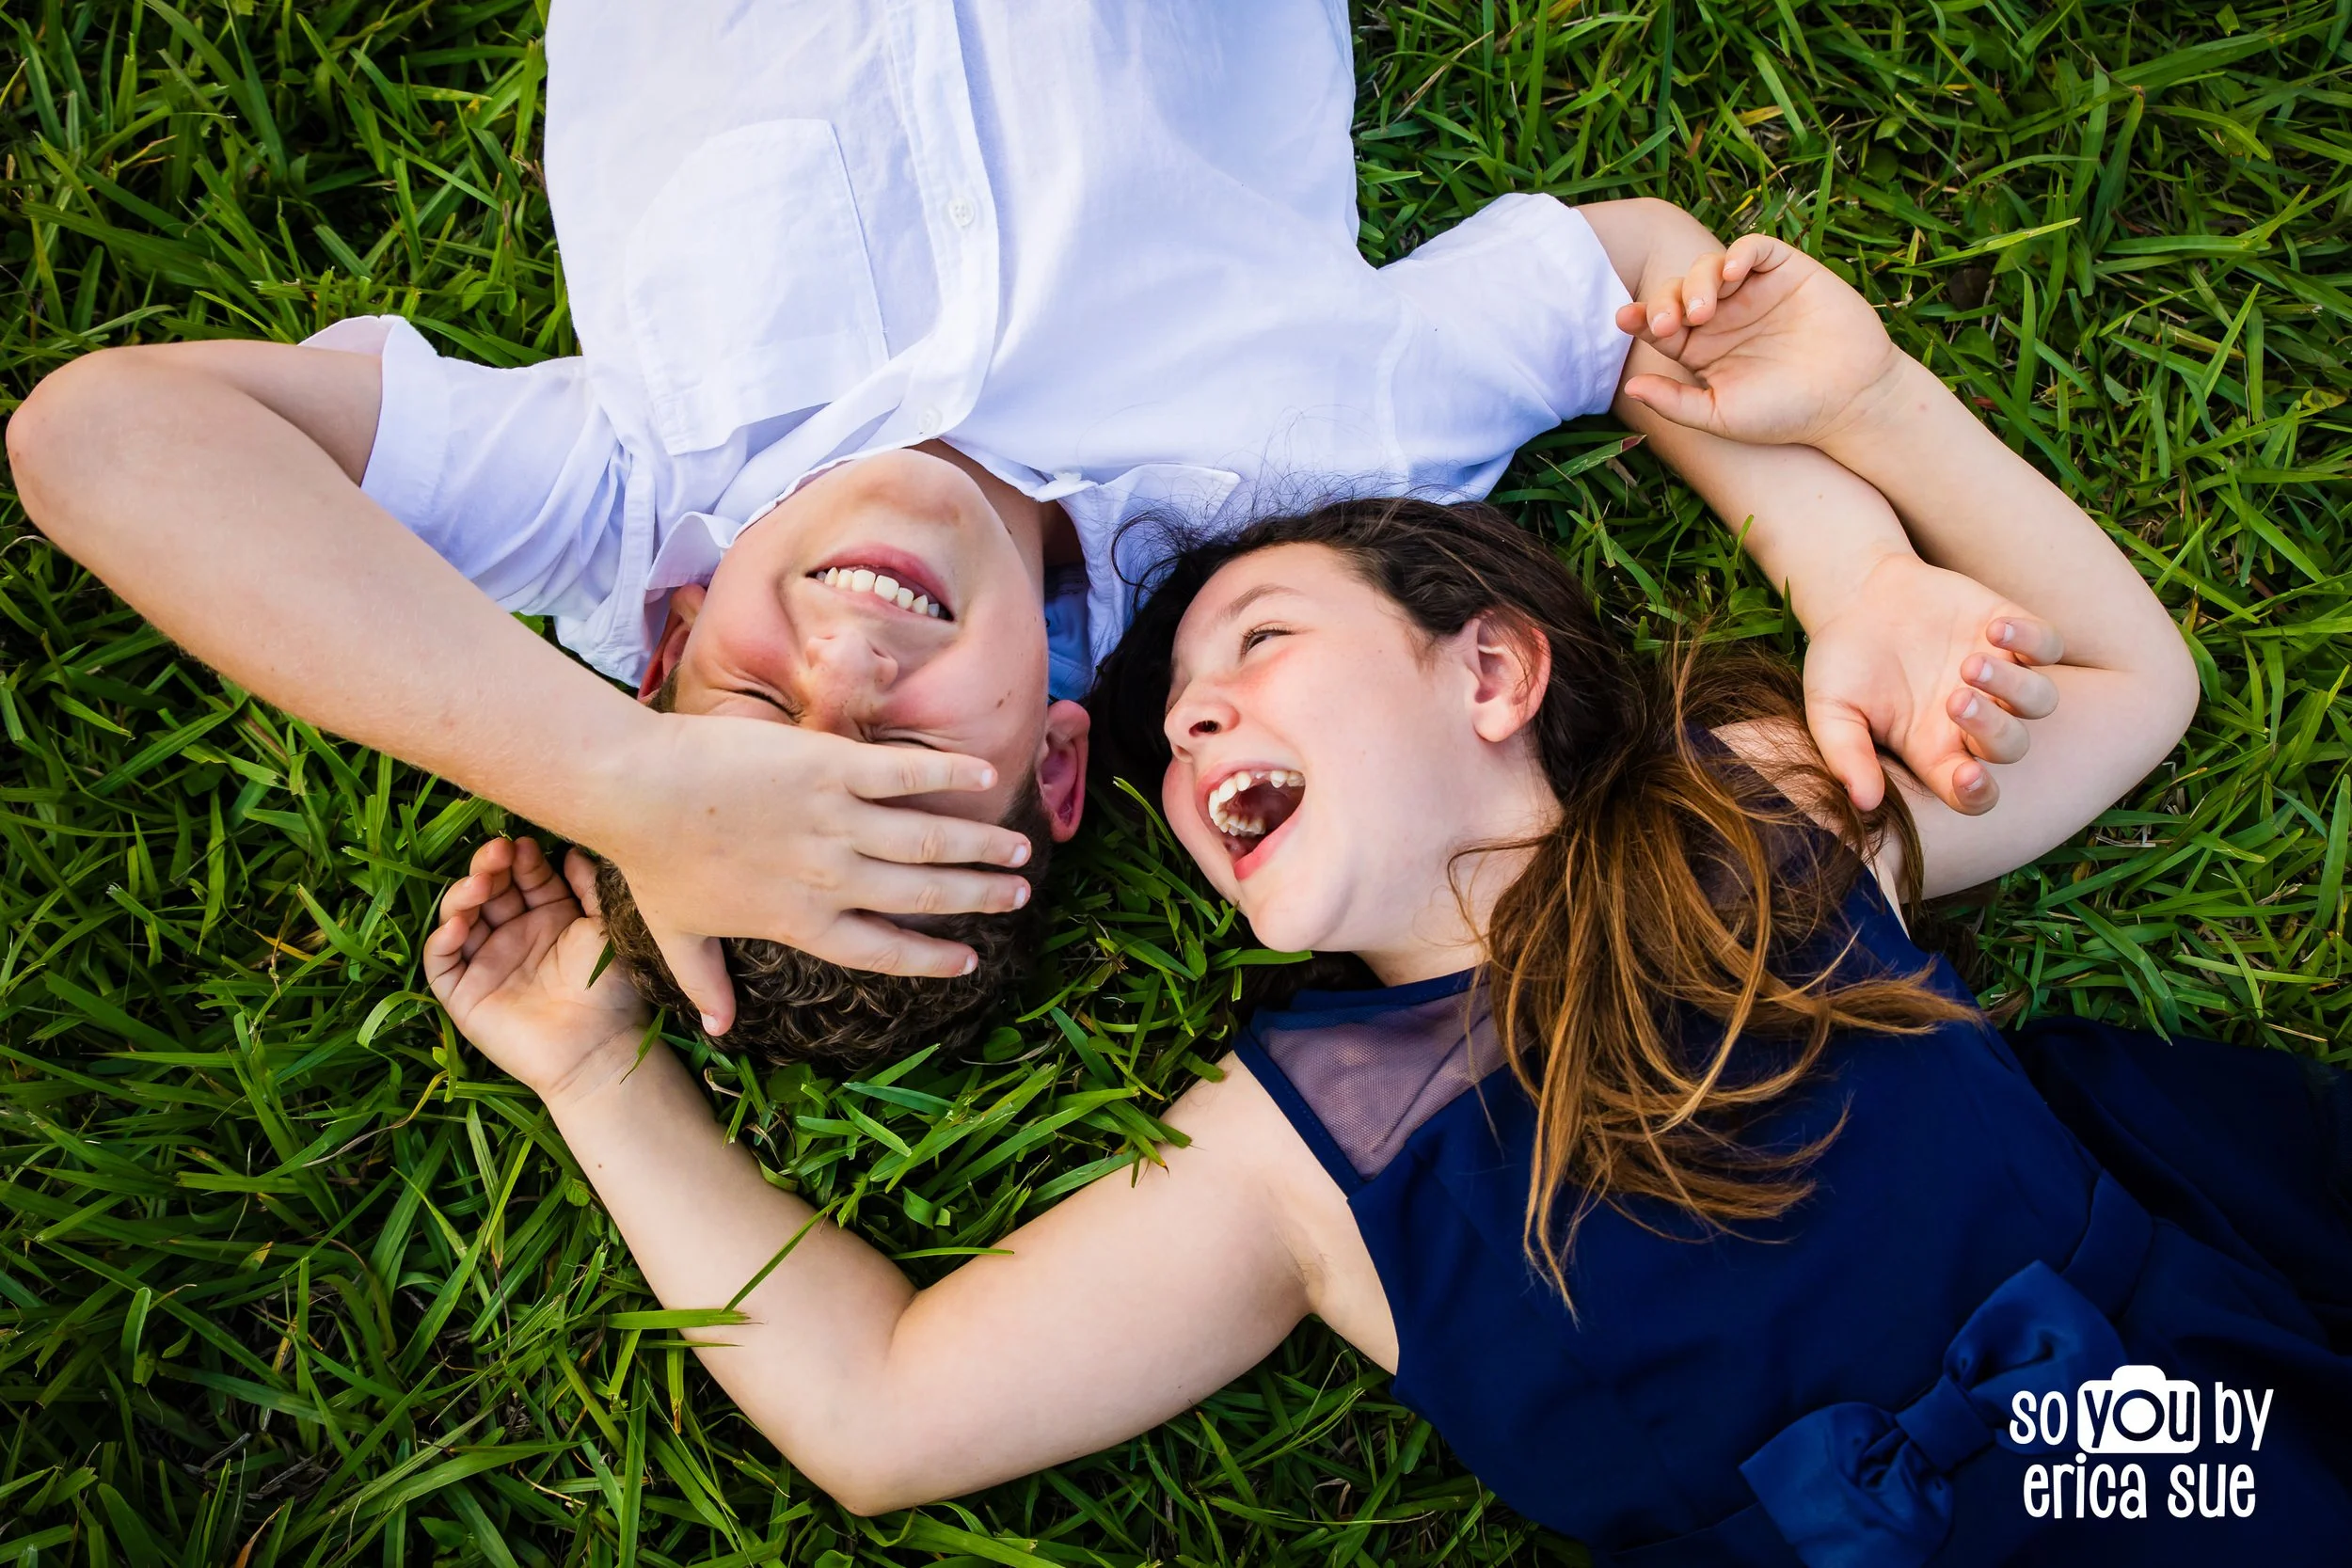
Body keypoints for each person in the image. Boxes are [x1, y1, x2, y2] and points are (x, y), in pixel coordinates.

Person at [415, 230, 2352, 1563]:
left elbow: (2127, 690)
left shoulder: (1745, 820)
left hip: (2162, 1456)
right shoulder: (1292, 1161)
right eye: (1174, 736)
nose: (1196, 735)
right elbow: (883, 1410)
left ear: (1488, 671)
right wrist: (597, 1075)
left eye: (1255, 644)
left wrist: (1872, 410)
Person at [14, 0, 2032, 1063]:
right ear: (1062, 762)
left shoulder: (642, 495)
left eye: (746, 713)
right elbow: (1624, 286)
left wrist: (610, 781)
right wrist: (1850, 576)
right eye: (902, 746)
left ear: (668, 634)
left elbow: (101, 434)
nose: (850, 661)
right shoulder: (1278, 491)